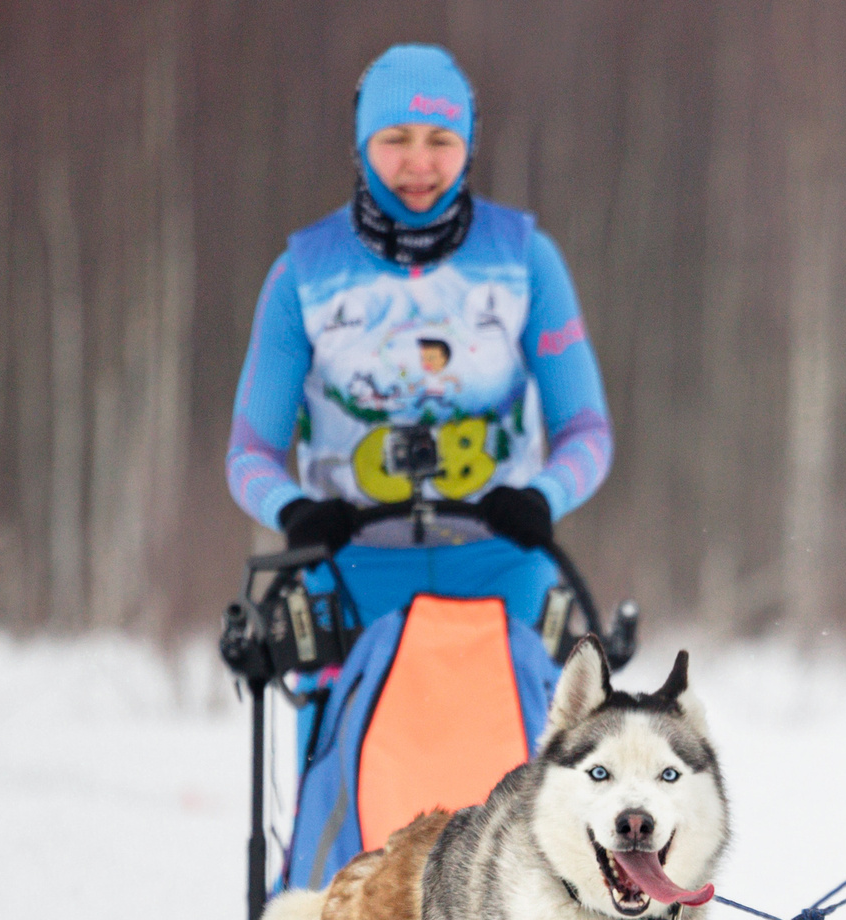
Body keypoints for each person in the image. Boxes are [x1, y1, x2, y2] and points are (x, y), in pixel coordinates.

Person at [224, 43, 612, 629]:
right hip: (350, 573)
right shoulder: (300, 276)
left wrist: (542, 499)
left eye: (440, 140)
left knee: (523, 723)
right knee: (345, 722)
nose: (419, 164)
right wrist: (295, 511)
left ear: (468, 146)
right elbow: (250, 453)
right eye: (395, 139)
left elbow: (586, 431)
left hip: (502, 569)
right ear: (361, 144)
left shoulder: (527, 261)